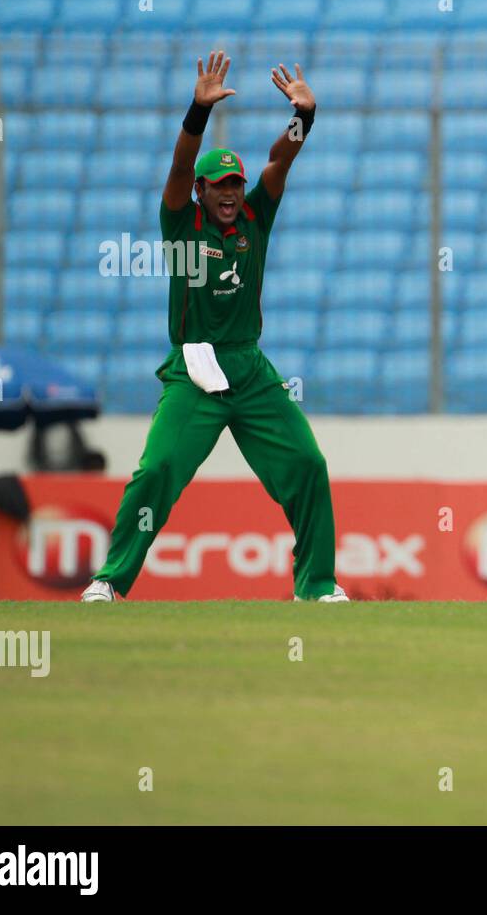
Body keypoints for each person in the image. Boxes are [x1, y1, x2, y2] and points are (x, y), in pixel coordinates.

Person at [80, 51, 346, 603]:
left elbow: (280, 161)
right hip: (194, 369)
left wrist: (305, 118)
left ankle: (317, 585)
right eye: (218, 185)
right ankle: (110, 581)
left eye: (234, 184)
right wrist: (196, 115)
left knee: (308, 464)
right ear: (201, 191)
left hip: (248, 367)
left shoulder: (255, 216)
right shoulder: (180, 223)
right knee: (157, 472)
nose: (229, 193)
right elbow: (179, 170)